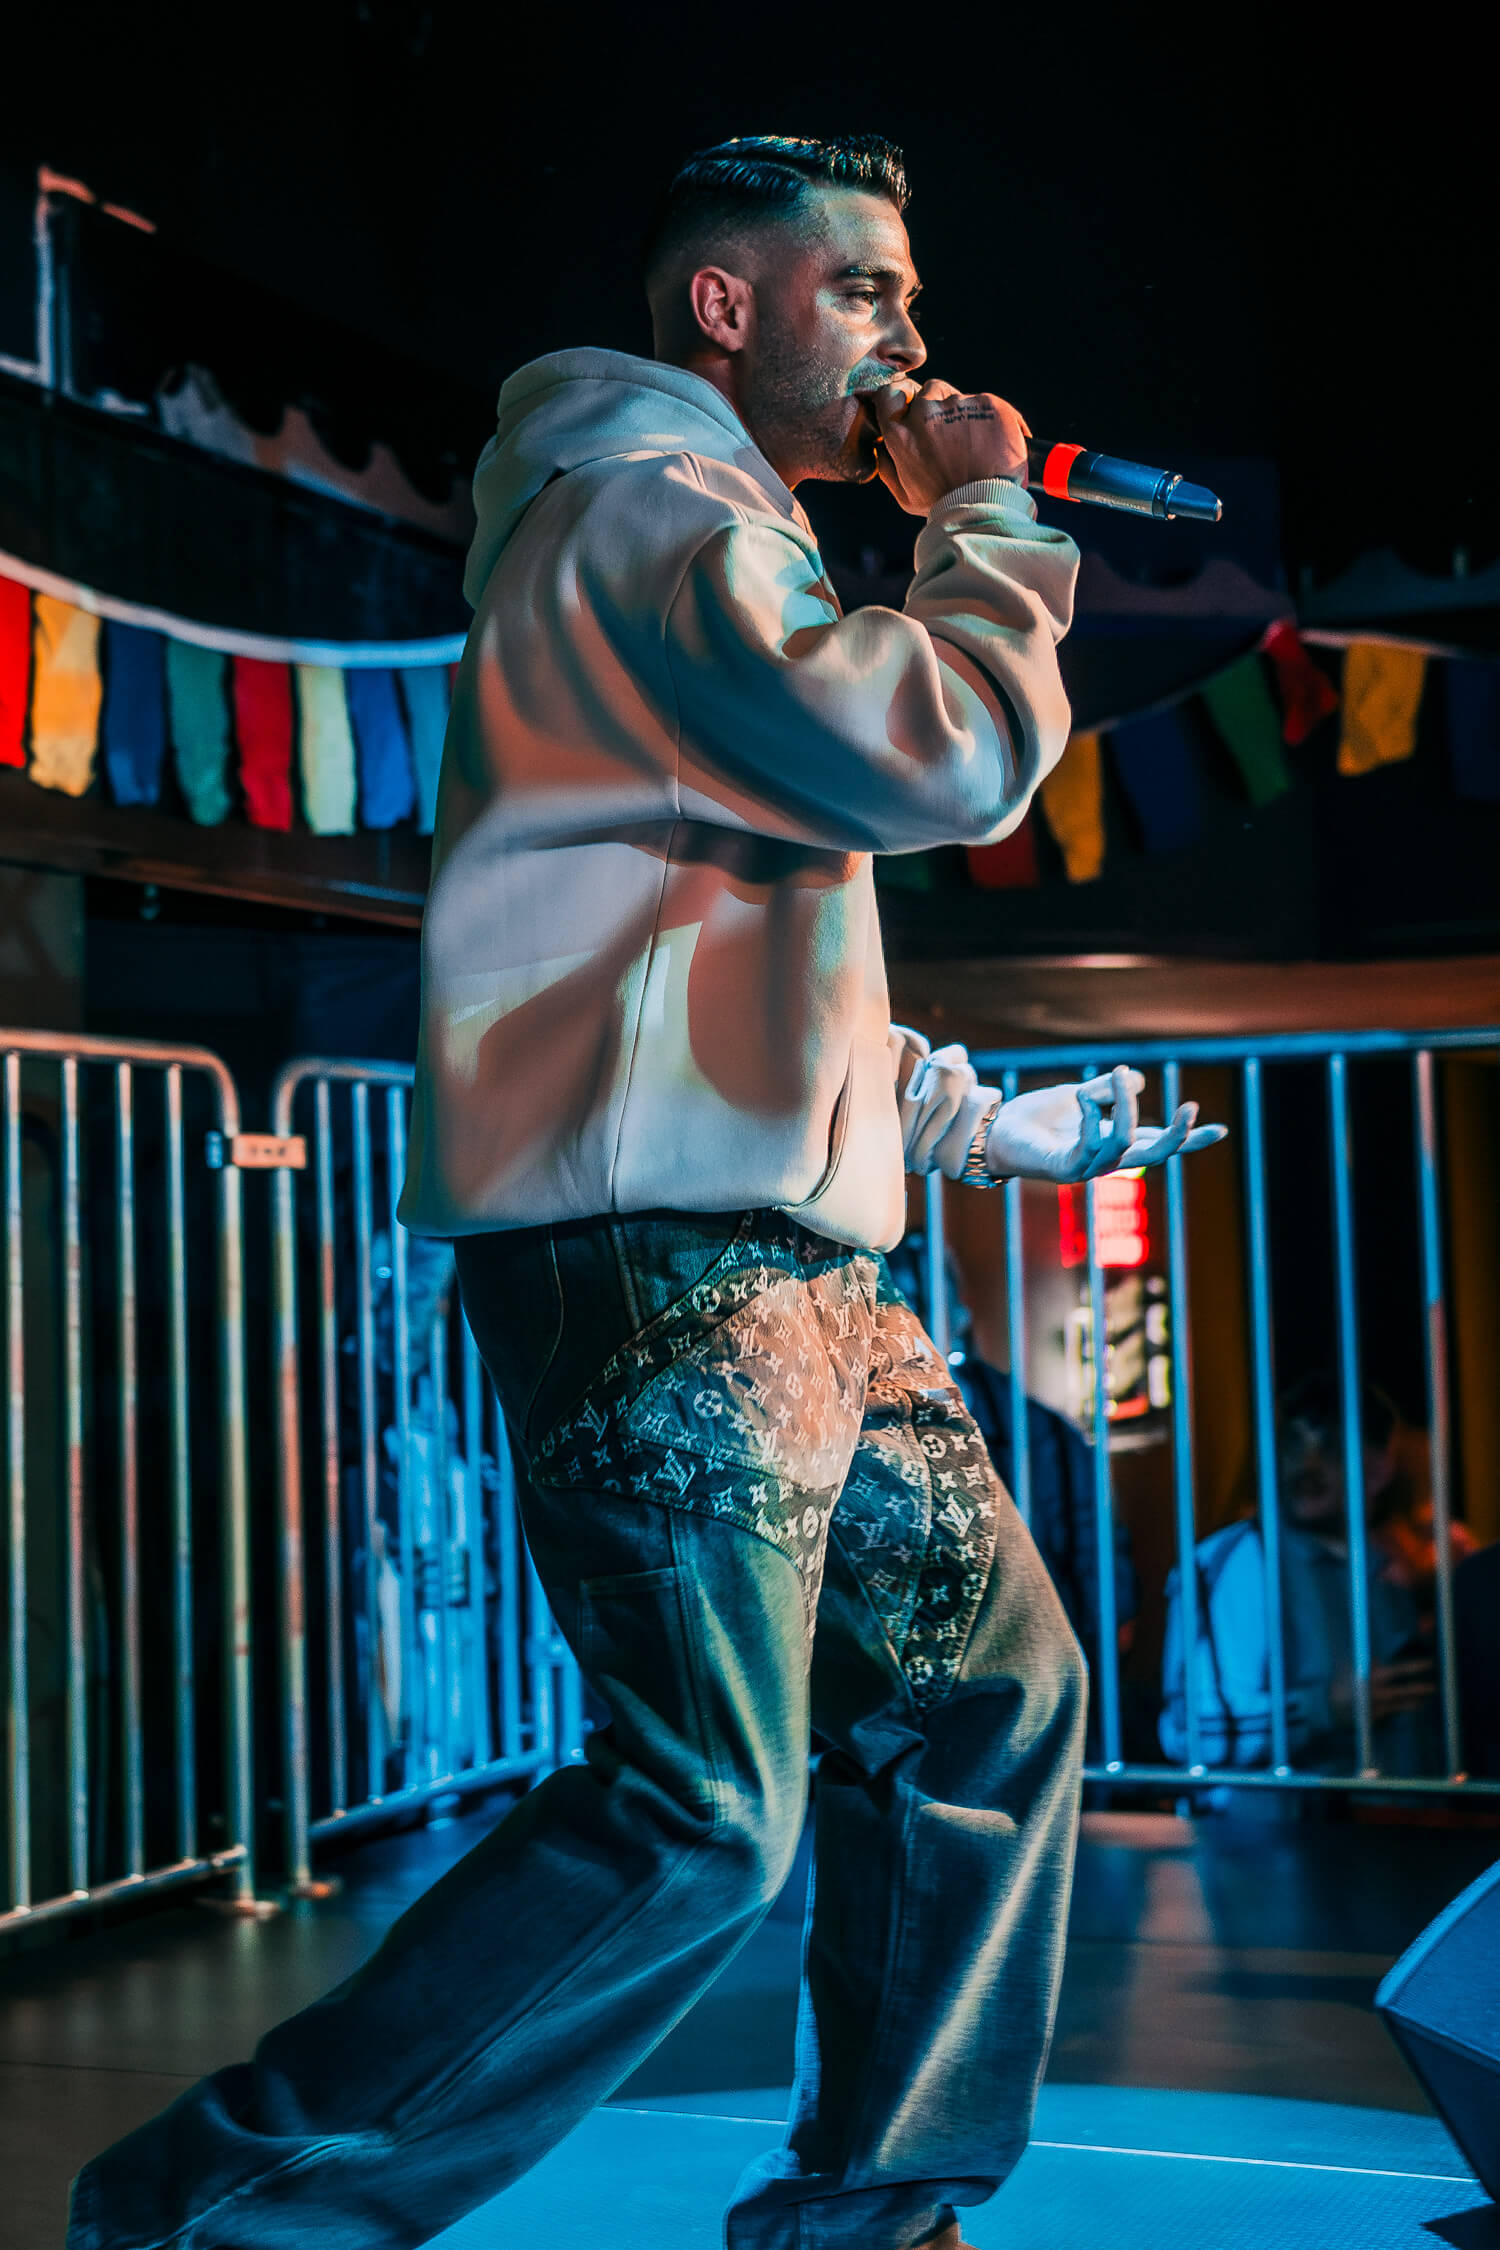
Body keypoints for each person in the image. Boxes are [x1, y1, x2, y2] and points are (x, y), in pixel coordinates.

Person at [70, 133, 1223, 2250]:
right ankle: (214, 2214)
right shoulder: (649, 506)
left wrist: (970, 1125)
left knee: (991, 1698)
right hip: (664, 1263)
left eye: (910, 298)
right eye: (866, 290)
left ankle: (872, 2214)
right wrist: (987, 521)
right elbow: (945, 757)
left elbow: (699, 949)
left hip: (788, 1259)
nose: (909, 340)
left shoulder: (712, 538)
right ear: (724, 303)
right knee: (704, 1804)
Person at [1160, 1373, 1438, 1777]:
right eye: (1293, 1444)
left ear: (1380, 1468)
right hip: (1269, 1818)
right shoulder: (1239, 1562)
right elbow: (1190, 1732)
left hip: (1384, 1815)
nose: (1306, 1465)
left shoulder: (1385, 1568)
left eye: (1331, 1447)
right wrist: (1323, 1707)